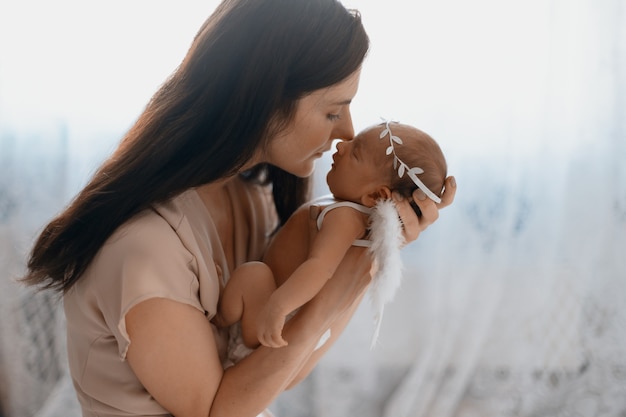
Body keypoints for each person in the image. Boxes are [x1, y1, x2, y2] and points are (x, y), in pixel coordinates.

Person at [22, 0, 456, 416]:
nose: (346, 131)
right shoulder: (144, 249)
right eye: (332, 112)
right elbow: (218, 410)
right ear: (265, 100)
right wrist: (347, 279)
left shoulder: (251, 199)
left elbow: (281, 368)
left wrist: (372, 249)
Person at [215, 121, 447, 360]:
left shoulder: (344, 217)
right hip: (272, 315)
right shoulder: (349, 212)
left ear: (376, 195)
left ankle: (218, 320)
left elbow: (320, 267)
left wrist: (278, 306)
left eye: (355, 152)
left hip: (267, 318)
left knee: (253, 274)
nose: (341, 146)